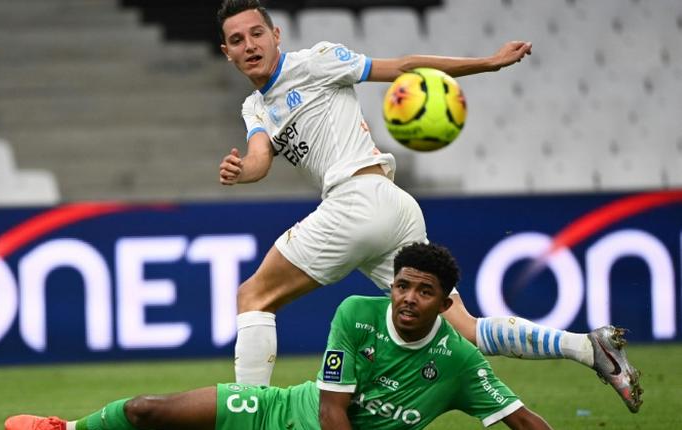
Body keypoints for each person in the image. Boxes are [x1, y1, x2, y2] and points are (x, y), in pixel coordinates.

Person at [215, 0, 642, 413]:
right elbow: (259, 160)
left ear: (276, 35)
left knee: (253, 296)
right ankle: (588, 347)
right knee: (465, 329)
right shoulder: (255, 106)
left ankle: (247, 415)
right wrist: (240, 171)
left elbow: (403, 68)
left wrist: (487, 63)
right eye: (237, 40)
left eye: (257, 34)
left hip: (357, 198)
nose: (250, 45)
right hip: (393, 210)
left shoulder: (315, 62)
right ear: (227, 52)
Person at [4, 242, 554, 430]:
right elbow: (332, 411)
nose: (409, 298)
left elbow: (523, 420)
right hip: (279, 412)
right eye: (403, 286)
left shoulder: (457, 360)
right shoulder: (358, 312)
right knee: (149, 411)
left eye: (424, 291)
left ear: (445, 301)